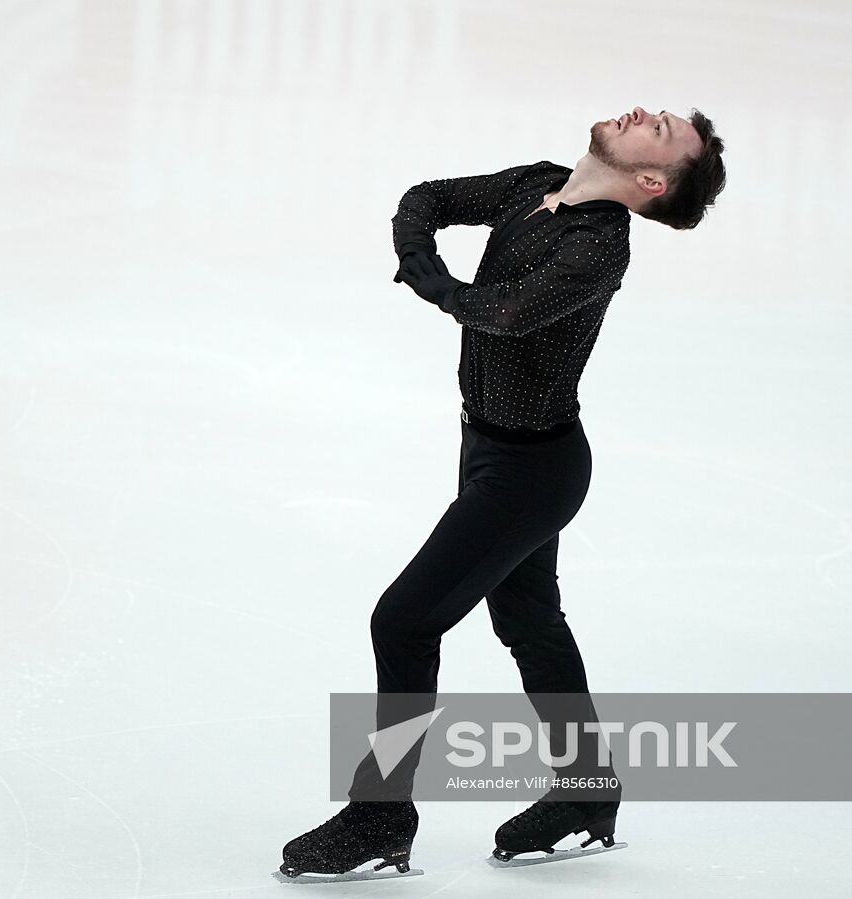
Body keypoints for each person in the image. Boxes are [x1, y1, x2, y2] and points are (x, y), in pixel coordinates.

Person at [276, 106, 728, 881]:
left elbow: (507, 314)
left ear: (650, 182)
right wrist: (419, 253)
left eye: (661, 130)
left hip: (533, 473)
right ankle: (587, 788)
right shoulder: (537, 184)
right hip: (489, 447)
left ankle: (381, 810)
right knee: (529, 620)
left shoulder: (597, 247)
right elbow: (426, 197)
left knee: (405, 619)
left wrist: (437, 286)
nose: (646, 112)